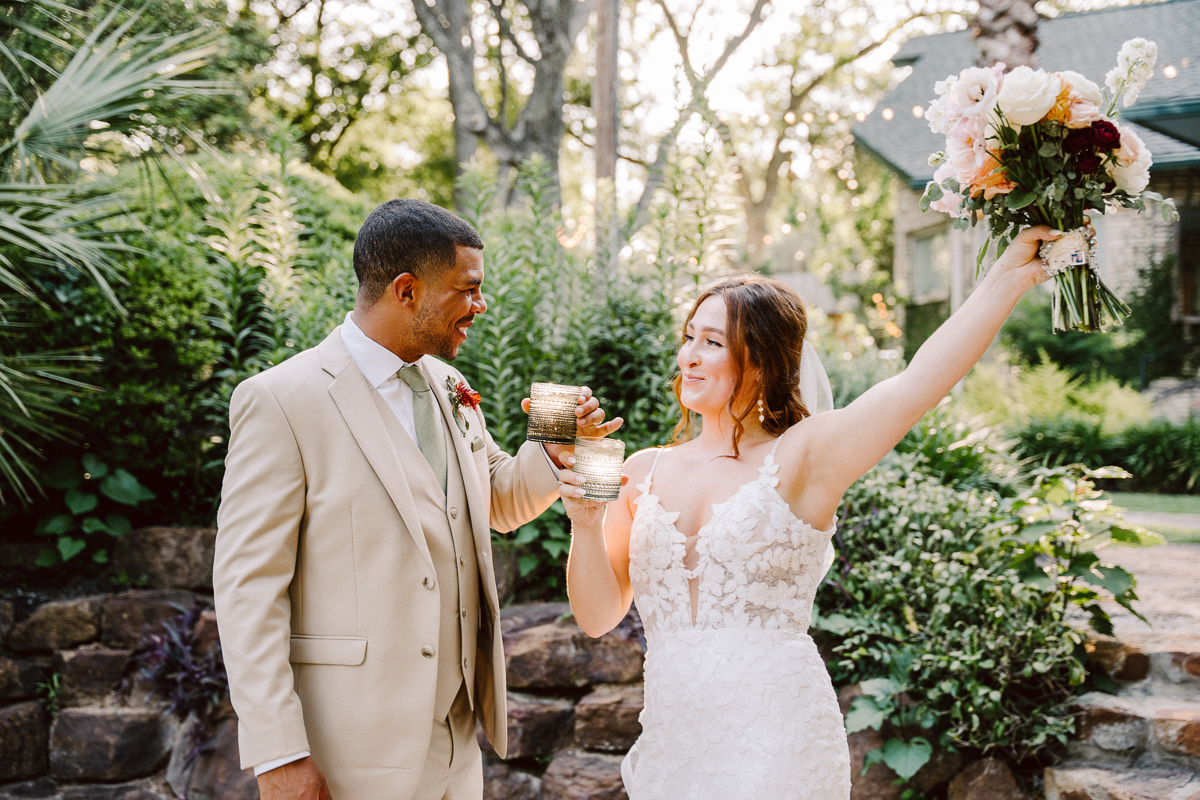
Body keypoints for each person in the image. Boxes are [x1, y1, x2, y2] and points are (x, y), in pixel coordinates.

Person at [558, 225, 1062, 799]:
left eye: (713, 342)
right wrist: (585, 523)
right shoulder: (639, 469)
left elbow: (917, 384)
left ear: (762, 361)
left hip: (777, 736)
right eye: (689, 336)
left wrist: (1009, 276)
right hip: (673, 743)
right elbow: (597, 617)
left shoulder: (804, 456)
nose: (689, 356)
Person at [213, 199, 621, 800]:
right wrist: (279, 752)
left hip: (458, 737)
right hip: (349, 743)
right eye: (468, 290)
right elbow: (248, 587)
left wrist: (555, 442)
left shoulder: (449, 383)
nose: (481, 305)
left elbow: (496, 501)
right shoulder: (280, 399)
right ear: (407, 290)